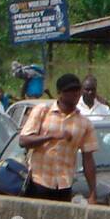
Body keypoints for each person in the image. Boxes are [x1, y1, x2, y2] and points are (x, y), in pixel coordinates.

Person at [17, 73, 97, 204]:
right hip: (38, 182)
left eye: (77, 90)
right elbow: (23, 141)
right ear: (60, 93)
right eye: (70, 90)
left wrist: (93, 192)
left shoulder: (84, 123)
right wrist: (51, 136)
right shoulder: (42, 111)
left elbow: (88, 159)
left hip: (64, 185)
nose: (75, 94)